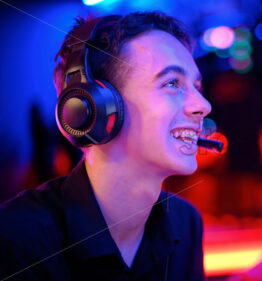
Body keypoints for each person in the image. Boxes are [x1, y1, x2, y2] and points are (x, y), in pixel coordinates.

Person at [0, 11, 211, 280]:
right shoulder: (16, 243)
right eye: (172, 83)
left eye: (197, 86)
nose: (203, 106)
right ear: (94, 109)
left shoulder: (186, 224)